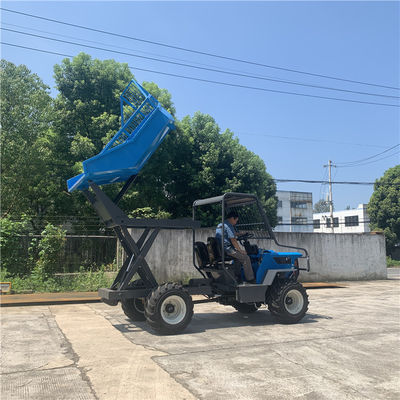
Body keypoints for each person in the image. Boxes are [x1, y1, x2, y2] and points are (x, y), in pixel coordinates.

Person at [215, 210, 256, 283]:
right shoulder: (229, 226)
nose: (236, 223)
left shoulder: (221, 225)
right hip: (228, 249)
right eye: (236, 221)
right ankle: (251, 279)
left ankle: (238, 277)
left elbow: (232, 234)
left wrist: (242, 233)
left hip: (221, 249)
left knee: (238, 259)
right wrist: (241, 250)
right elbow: (233, 240)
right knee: (246, 258)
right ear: (232, 218)